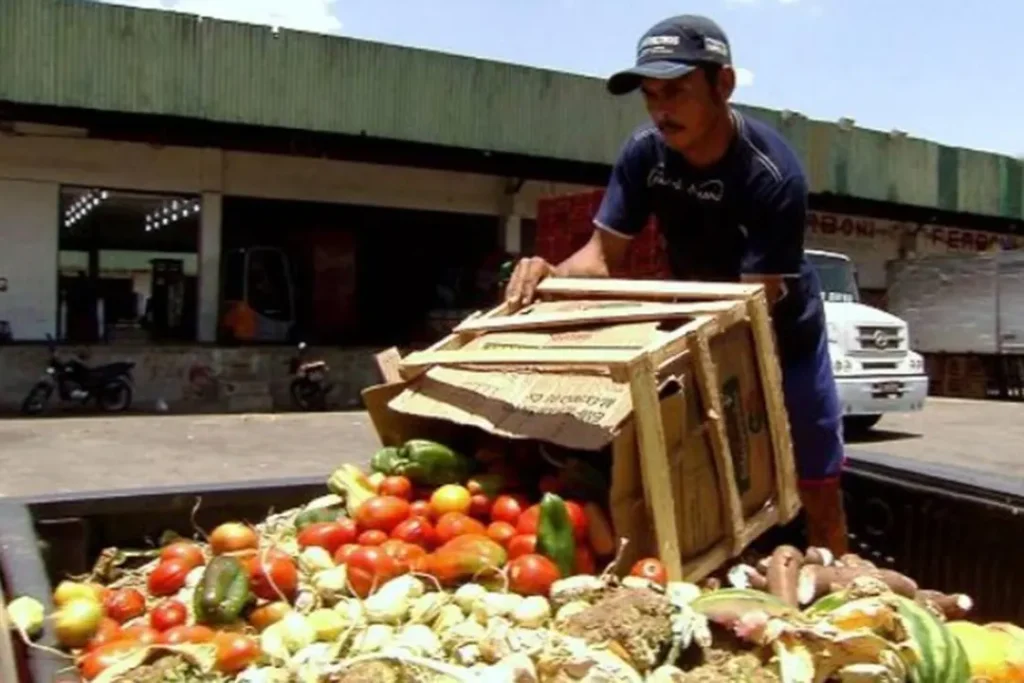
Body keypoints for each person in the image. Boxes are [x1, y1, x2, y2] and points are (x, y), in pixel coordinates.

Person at [505, 14, 849, 555]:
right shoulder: (646, 153)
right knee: (696, 468)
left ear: (724, 85)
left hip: (780, 328)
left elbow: (757, 299)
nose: (661, 111)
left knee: (814, 472)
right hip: (696, 318)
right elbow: (600, 257)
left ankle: (840, 574)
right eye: (650, 96)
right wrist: (551, 275)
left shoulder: (773, 173)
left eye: (676, 92)